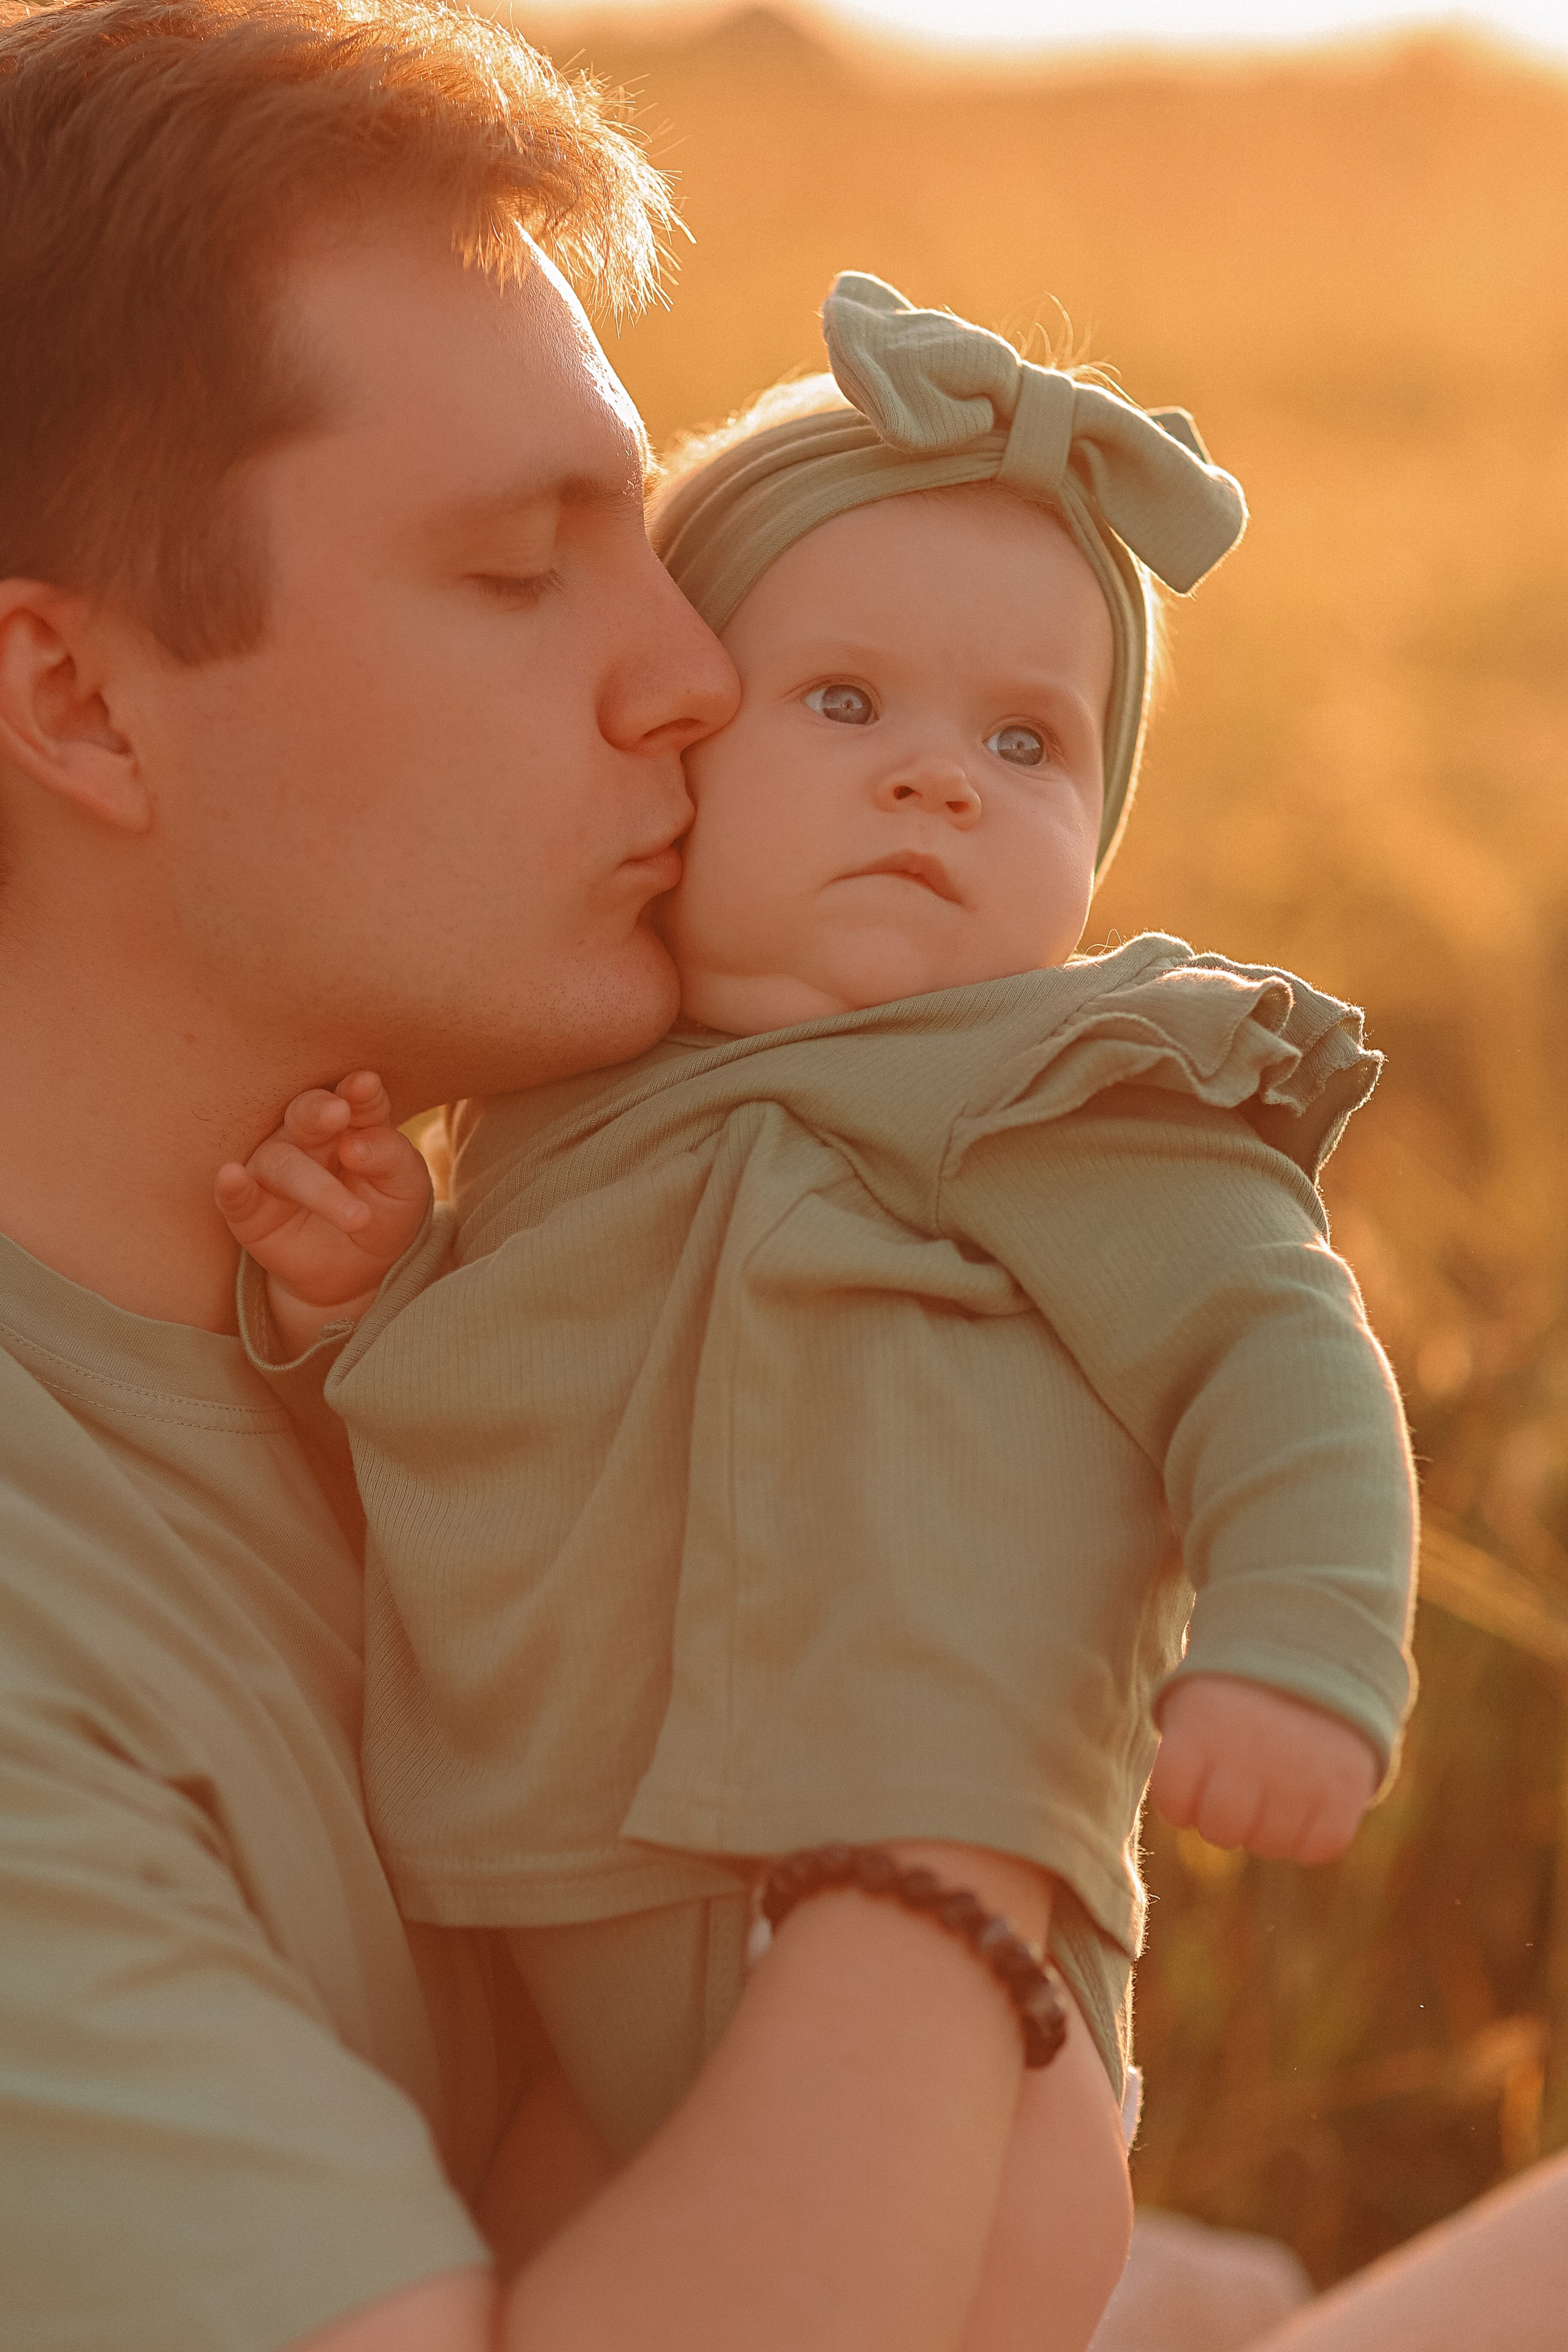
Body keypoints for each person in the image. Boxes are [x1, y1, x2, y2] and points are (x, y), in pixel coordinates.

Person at [0, 6, 1150, 2349]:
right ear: (82, 704)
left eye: (644, 538)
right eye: (525, 577)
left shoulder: (490, 1274)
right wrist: (954, 1768)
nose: (700, 679)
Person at [216, 278, 1419, 2345]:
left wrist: (1304, 1645)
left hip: (940, 1982)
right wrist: (364, 1285)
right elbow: (511, 1415)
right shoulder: (553, 1099)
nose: (937, 782)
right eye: (844, 704)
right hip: (567, 1977)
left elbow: (1277, 1349)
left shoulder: (1063, 1088)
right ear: (676, 755)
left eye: (1025, 742)